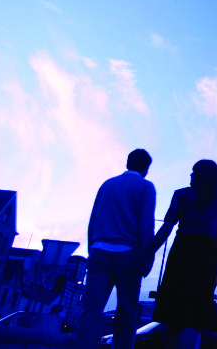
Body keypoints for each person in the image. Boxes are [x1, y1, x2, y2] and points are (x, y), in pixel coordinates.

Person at [76, 149, 157, 349]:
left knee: (90, 311)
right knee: (127, 314)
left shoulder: (107, 185)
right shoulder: (146, 187)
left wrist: (92, 249)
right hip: (129, 253)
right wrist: (148, 258)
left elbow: (93, 220)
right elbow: (146, 226)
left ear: (128, 163)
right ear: (146, 168)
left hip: (99, 251)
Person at [149, 159, 217, 349]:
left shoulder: (181, 195)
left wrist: (149, 251)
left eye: (194, 172)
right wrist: (214, 272)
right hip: (206, 256)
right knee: (193, 318)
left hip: (182, 252)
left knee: (172, 317)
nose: (191, 176)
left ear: (203, 176)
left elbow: (167, 226)